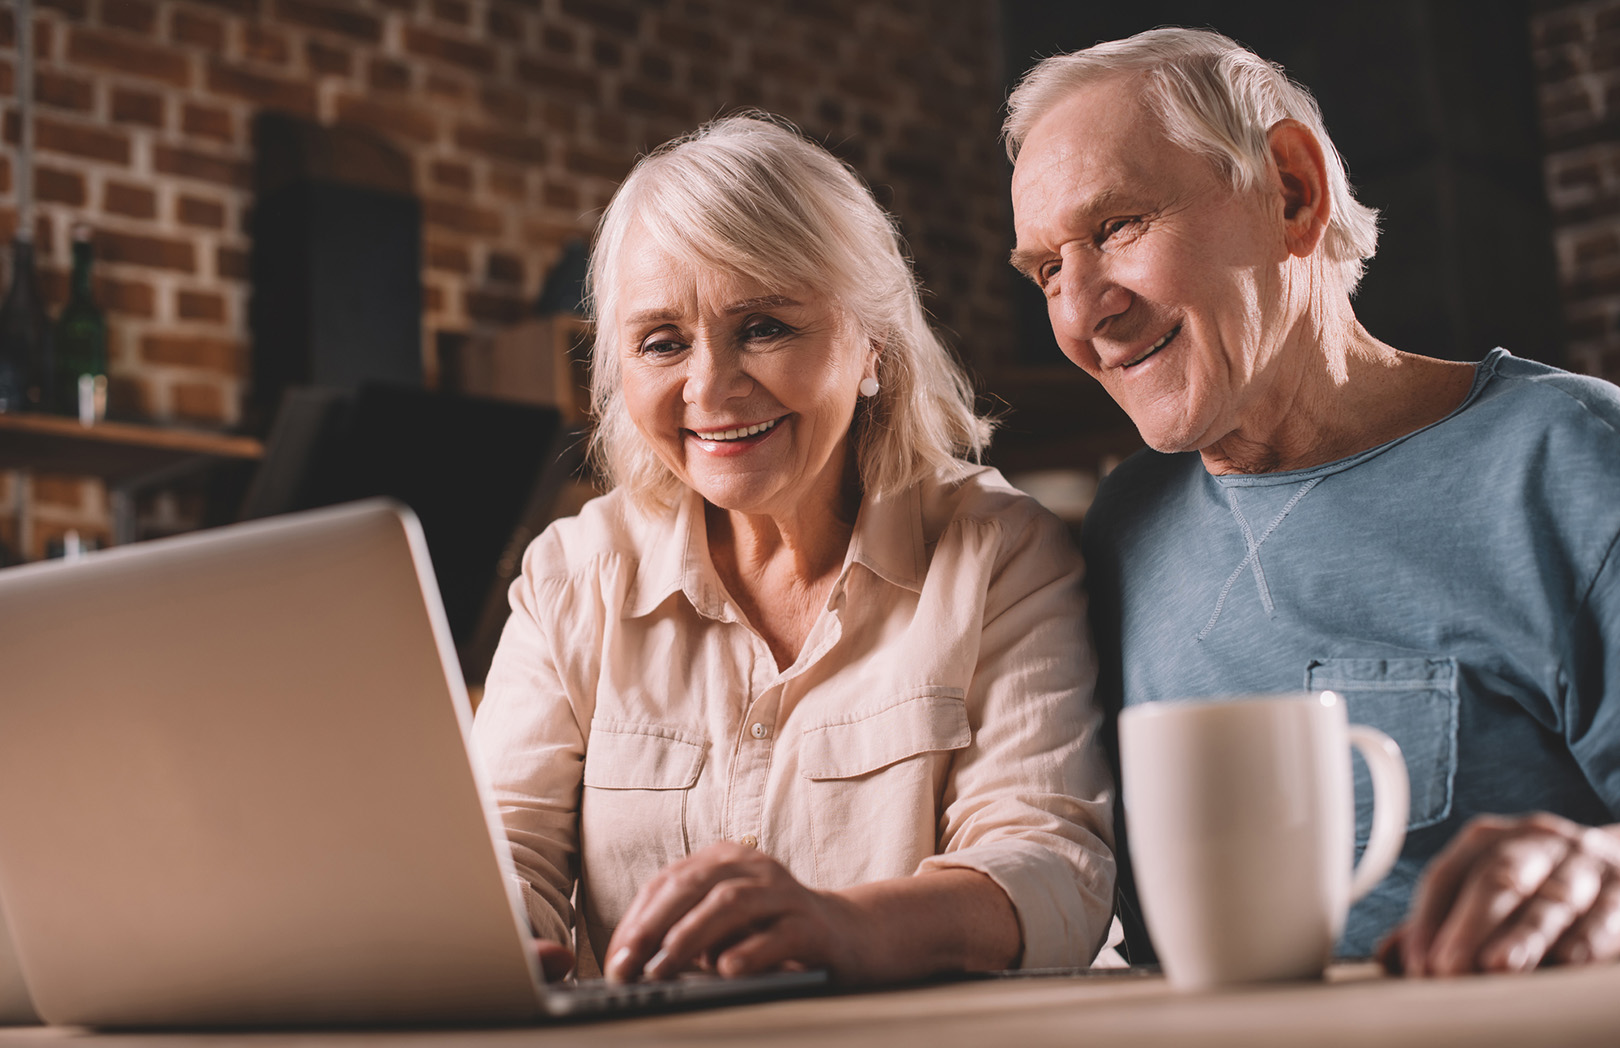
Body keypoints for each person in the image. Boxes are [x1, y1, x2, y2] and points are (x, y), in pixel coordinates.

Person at [1005, 28, 1620, 977]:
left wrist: (1603, 873)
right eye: (1048, 269)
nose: (1083, 312)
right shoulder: (1123, 527)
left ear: (1290, 191)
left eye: (1117, 227)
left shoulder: (1573, 462)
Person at [472, 115, 1116, 985]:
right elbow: (504, 853)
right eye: (662, 342)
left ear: (872, 348)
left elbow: (1052, 870)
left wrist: (841, 927)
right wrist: (488, 933)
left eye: (765, 326)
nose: (709, 387)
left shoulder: (999, 552)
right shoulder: (568, 579)